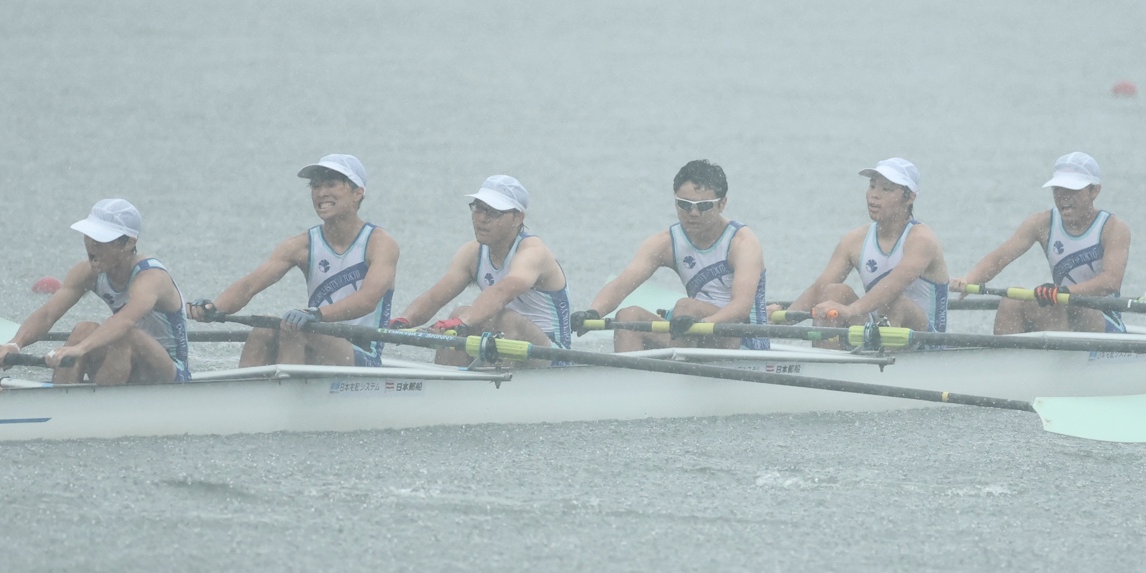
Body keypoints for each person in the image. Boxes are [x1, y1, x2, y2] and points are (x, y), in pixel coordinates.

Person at [192, 154, 399, 367]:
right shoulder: (300, 245)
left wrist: (315, 314)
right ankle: (245, 386)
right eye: (316, 186)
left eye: (331, 184)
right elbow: (249, 286)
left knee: (296, 331)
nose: (321, 193)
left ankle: (286, 383)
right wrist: (213, 308)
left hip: (361, 353)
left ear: (358, 193)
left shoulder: (380, 244)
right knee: (264, 328)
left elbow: (367, 300)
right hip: (316, 339)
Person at [0, 198, 191, 383]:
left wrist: (81, 349)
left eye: (102, 239)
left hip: (169, 371)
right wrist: (15, 344)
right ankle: (61, 400)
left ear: (130, 242)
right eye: (89, 235)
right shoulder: (86, 272)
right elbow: (47, 314)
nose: (92, 245)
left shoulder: (150, 278)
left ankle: (99, 404)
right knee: (83, 329)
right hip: (126, 362)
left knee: (126, 336)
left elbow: (125, 321)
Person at [578, 160, 769, 352]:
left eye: (703, 206)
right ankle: (630, 371)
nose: (693, 213)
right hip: (692, 330)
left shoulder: (743, 243)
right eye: (684, 205)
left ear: (722, 204)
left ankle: (677, 365)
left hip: (743, 338)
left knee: (687, 307)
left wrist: (700, 324)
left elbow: (741, 307)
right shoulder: (665, 243)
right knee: (628, 317)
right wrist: (593, 313)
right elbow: (622, 284)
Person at [392, 175, 572, 358]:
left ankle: (490, 372)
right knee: (458, 315)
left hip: (552, 355)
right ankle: (449, 376)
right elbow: (434, 298)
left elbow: (502, 292)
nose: (482, 218)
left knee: (503, 320)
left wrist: (462, 323)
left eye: (493, 212)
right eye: (478, 208)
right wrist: (403, 321)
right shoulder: (471, 253)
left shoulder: (533, 252)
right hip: (505, 344)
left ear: (518, 218)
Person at [953, 152, 1130, 334]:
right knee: (1011, 301)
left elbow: (1110, 282)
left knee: (1063, 306)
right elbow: (999, 258)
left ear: (1094, 191)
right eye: (1058, 189)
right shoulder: (1041, 223)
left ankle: (1051, 348)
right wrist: (969, 279)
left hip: (1103, 317)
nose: (1063, 197)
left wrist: (1063, 292)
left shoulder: (1113, 228)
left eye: (1072, 190)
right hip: (1061, 307)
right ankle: (1006, 351)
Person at [791, 158, 952, 332]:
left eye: (886, 189)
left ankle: (877, 345)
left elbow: (892, 286)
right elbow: (818, 289)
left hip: (927, 339)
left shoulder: (922, 239)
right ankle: (828, 350)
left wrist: (850, 310)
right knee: (833, 293)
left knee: (896, 304)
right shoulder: (854, 240)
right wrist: (784, 316)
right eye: (872, 186)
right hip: (876, 329)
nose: (875, 195)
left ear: (909, 198)